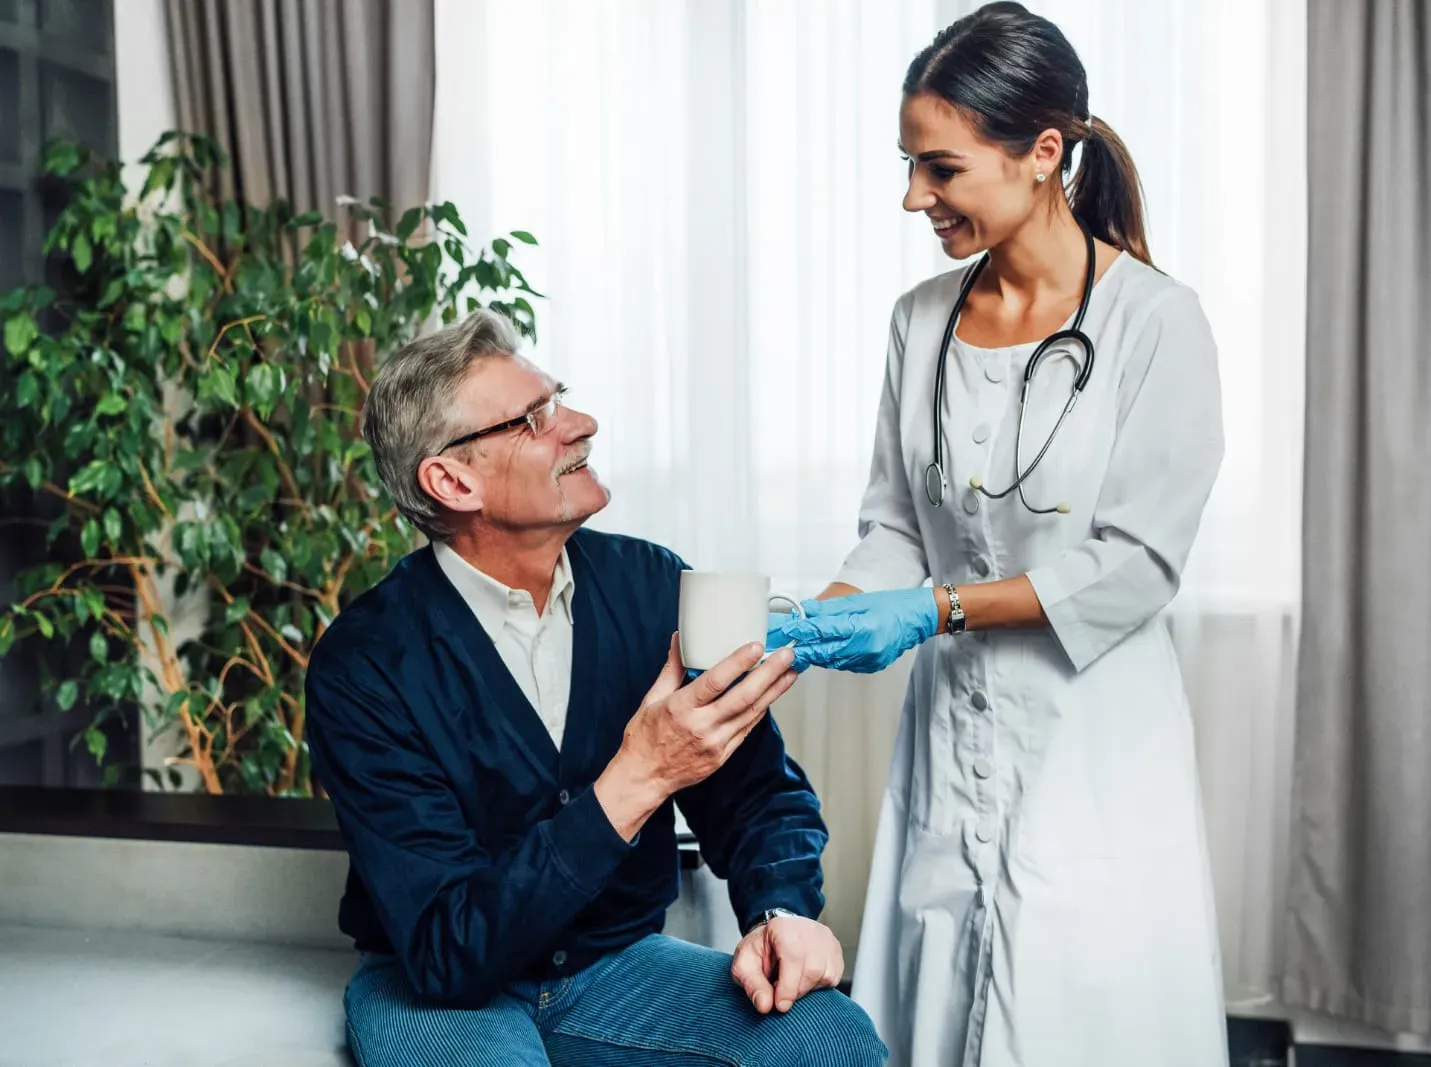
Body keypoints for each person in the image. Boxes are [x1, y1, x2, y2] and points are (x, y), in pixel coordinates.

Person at [771, 4, 1230, 1064]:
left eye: (939, 169)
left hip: (1092, 736)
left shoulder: (1154, 323)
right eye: (908, 165)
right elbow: (893, 527)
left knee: (1077, 1011)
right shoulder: (919, 318)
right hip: (951, 737)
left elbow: (1135, 564)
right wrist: (792, 628)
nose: (912, 196)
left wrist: (934, 609)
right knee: (939, 997)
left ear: (1043, 154)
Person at [305, 309, 887, 1067]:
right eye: (533, 417)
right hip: (446, 992)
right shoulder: (365, 663)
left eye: (562, 399)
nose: (581, 424)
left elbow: (755, 793)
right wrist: (636, 777)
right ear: (452, 479)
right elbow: (449, 952)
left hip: (614, 964)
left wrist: (783, 909)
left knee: (831, 1040)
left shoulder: (651, 586)